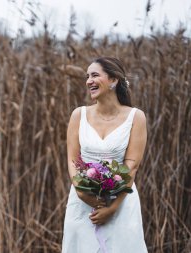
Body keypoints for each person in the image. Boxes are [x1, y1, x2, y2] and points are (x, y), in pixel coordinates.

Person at [61, 57, 147, 252]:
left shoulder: (136, 117)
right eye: (87, 76)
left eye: (95, 75)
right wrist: (83, 194)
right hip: (82, 202)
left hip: (121, 202)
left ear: (114, 80)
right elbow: (73, 160)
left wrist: (112, 208)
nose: (88, 81)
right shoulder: (79, 115)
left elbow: (131, 165)